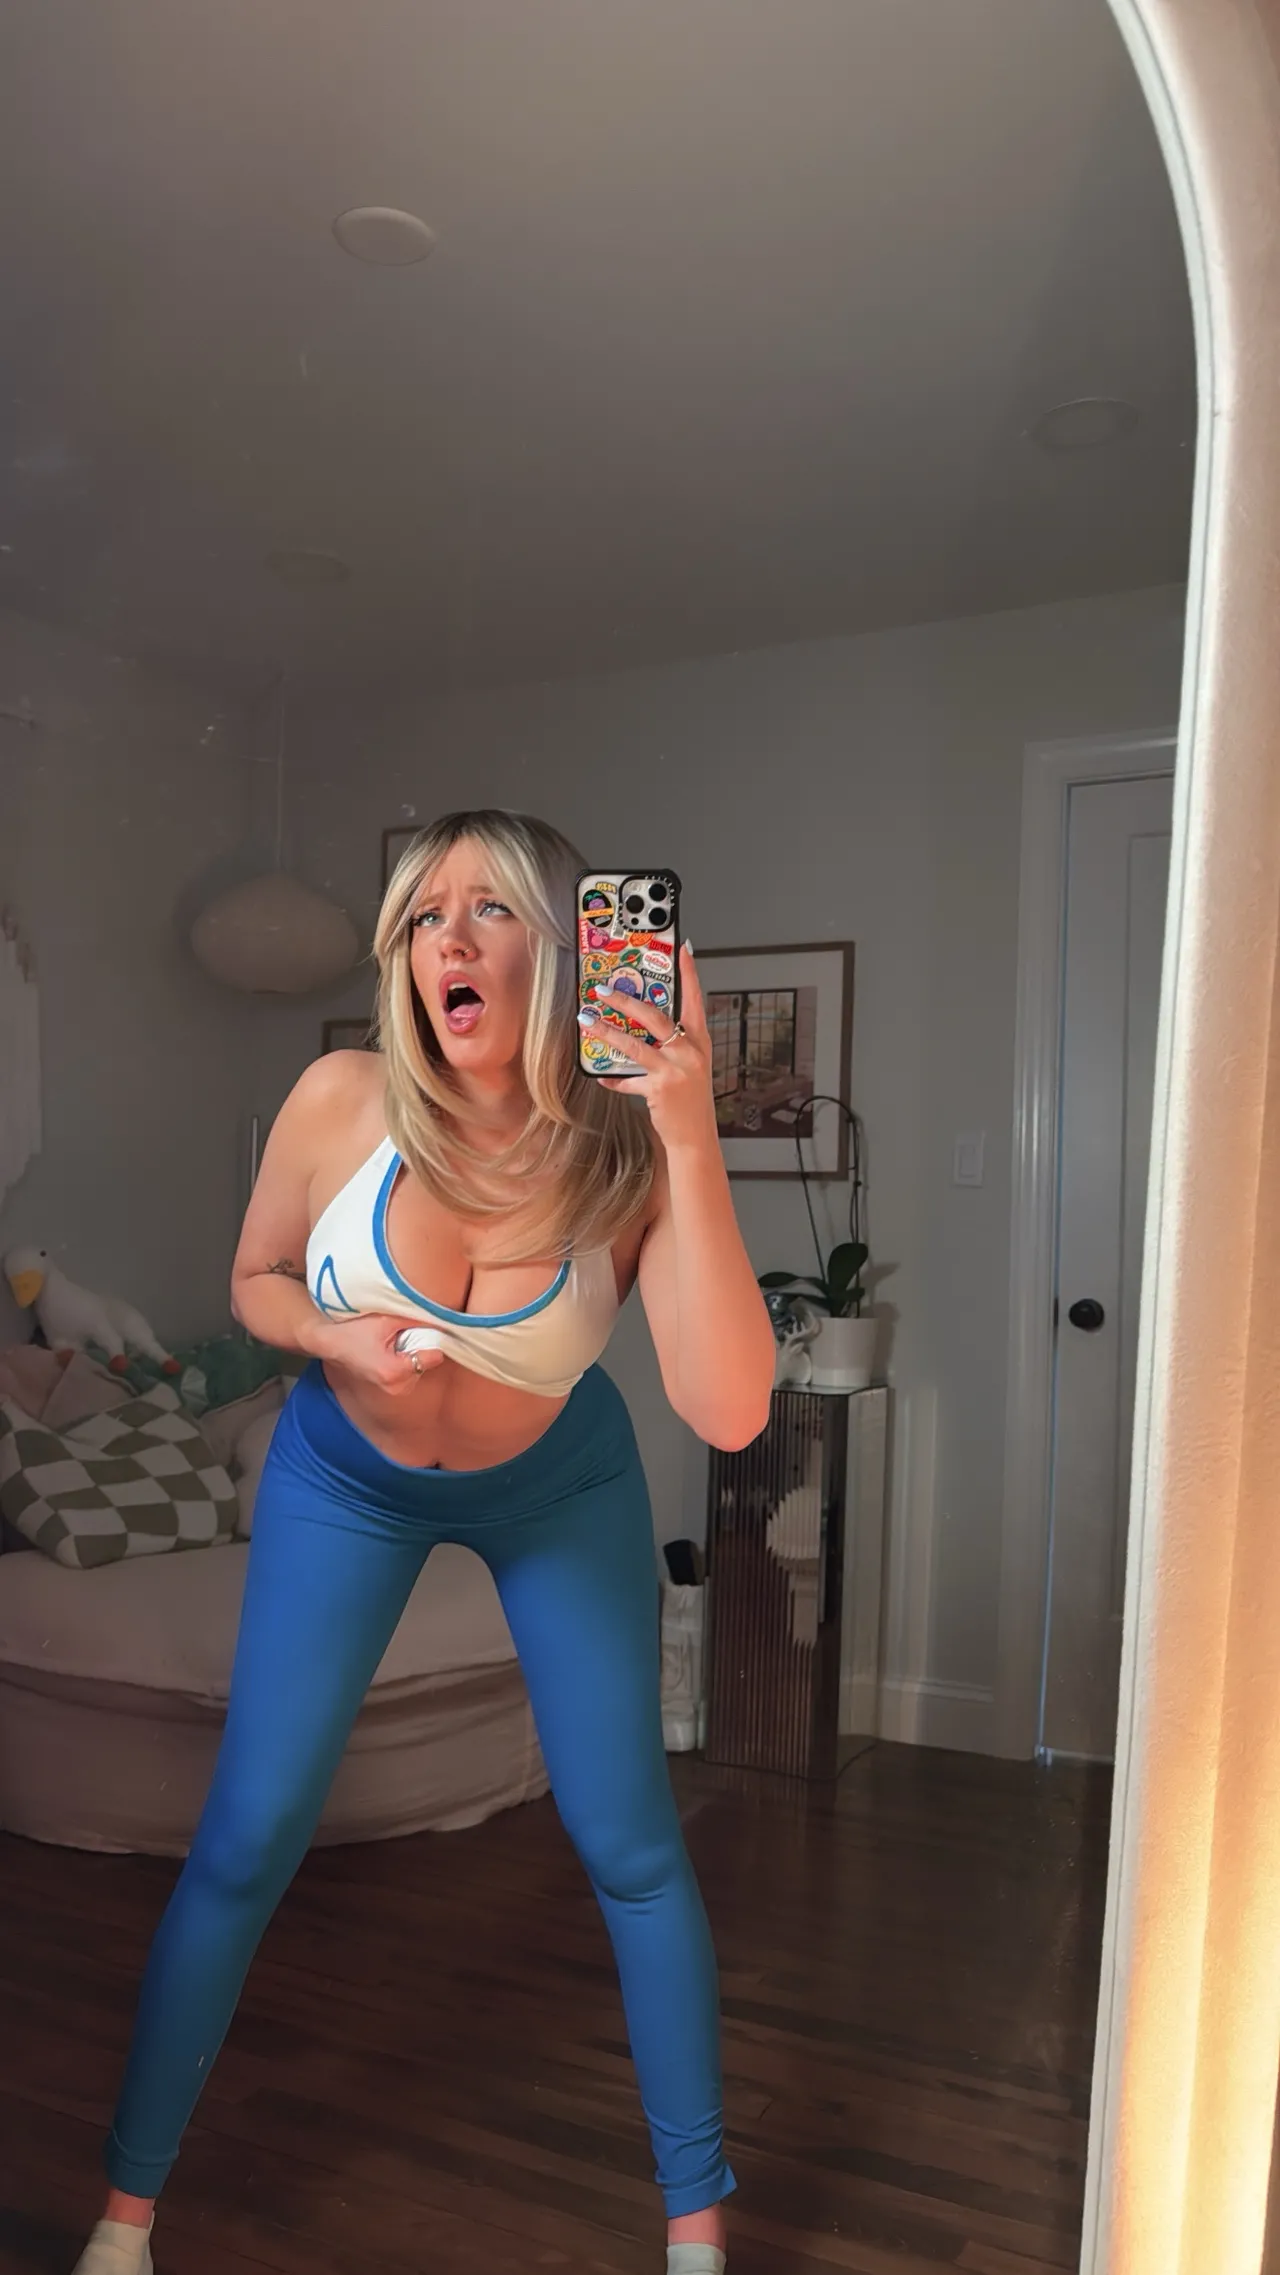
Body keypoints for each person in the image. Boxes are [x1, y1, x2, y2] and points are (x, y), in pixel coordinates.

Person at [73, 810, 775, 2275]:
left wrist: (692, 1126)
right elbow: (254, 1279)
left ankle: (697, 2234)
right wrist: (330, 1336)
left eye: (490, 908)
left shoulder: (626, 1145)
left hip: (555, 1484)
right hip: (348, 1477)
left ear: (564, 946)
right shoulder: (338, 1098)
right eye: (422, 916)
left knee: (631, 1844)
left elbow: (726, 1409)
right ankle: (123, 2222)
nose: (448, 938)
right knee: (246, 1839)